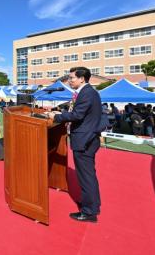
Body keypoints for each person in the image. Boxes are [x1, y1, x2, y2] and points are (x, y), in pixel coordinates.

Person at [48, 67, 102, 223]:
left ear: (82, 79)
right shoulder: (87, 92)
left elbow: (77, 115)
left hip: (85, 140)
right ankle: (91, 204)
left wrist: (56, 116)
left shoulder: (87, 93)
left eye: (71, 78)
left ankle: (89, 212)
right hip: (87, 138)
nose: (69, 80)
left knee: (86, 176)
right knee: (88, 175)